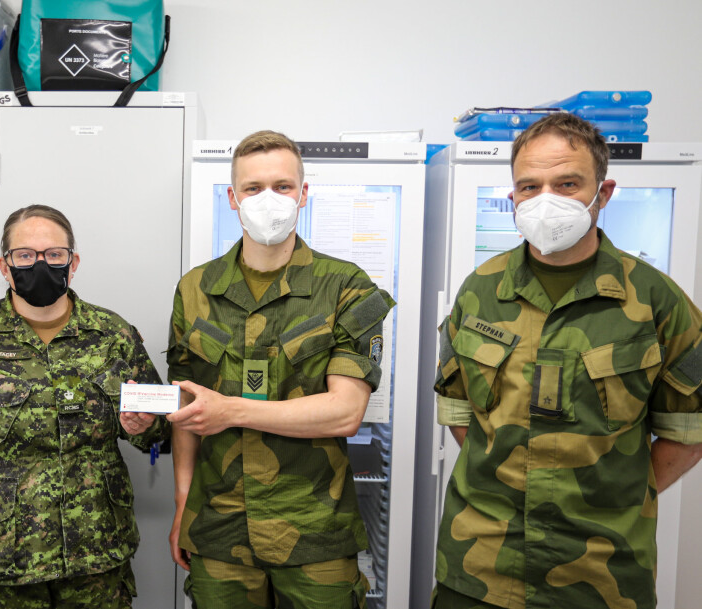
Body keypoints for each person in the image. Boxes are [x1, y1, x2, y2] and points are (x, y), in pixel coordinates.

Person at [432, 112, 702, 608]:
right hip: (480, 566)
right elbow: (460, 416)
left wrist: (614, 497)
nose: (545, 200)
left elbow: (688, 434)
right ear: (512, 195)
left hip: (602, 575)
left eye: (567, 183)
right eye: (529, 186)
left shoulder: (657, 301)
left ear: (604, 191)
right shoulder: (479, 292)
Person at [165, 130, 394, 608]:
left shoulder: (346, 285)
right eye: (253, 188)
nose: (268, 199)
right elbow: (189, 406)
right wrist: (183, 503)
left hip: (314, 527)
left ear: (303, 194)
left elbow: (344, 413)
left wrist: (232, 412)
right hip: (218, 525)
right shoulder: (195, 288)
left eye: (283, 186)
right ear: (233, 198)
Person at [0, 204, 170, 608]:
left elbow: (161, 429)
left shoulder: (112, 334)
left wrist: (143, 428)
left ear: (73, 262)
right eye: (25, 255)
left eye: (54, 255)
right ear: (4, 265)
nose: (40, 264)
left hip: (94, 556)